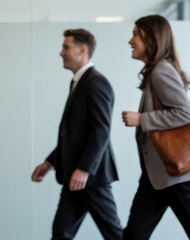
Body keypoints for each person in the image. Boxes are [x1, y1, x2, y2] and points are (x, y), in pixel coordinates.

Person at [122, 15, 190, 240]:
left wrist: (142, 119)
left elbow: (185, 112)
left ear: (152, 39)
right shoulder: (157, 71)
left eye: (136, 34)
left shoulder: (161, 71)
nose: (130, 41)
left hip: (176, 175)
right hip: (158, 175)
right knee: (134, 235)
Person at [31, 28, 122, 240]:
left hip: (91, 179)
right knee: (61, 233)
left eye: (65, 47)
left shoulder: (96, 83)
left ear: (82, 50)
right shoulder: (79, 82)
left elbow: (101, 131)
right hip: (75, 177)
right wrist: (49, 163)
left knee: (114, 234)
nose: (61, 53)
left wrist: (84, 169)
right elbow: (72, 134)